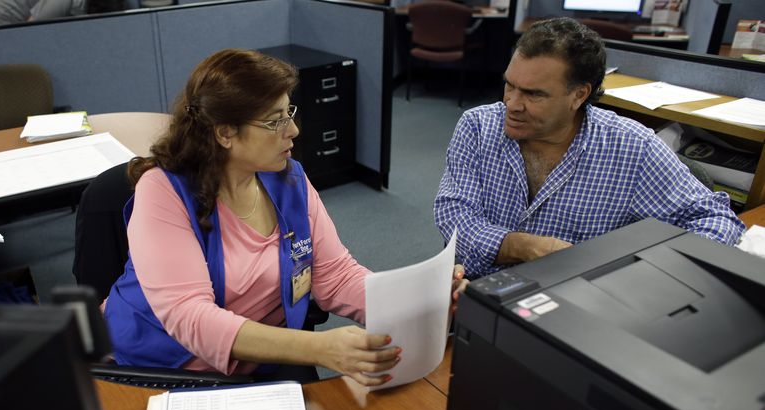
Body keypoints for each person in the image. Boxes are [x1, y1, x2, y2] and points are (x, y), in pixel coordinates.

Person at [103, 48, 467, 386]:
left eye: (288, 114)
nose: (293, 130)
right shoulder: (163, 191)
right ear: (226, 132)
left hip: (264, 357)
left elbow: (335, 277)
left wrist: (419, 301)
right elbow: (190, 318)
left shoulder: (288, 178)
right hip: (167, 369)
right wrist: (320, 349)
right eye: (275, 121)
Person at [433, 17, 745, 280]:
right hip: (475, 290)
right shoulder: (478, 126)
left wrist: (638, 275)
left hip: (572, 304)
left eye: (533, 94)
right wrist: (525, 246)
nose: (511, 104)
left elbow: (717, 219)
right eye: (509, 85)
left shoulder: (631, 148)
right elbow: (453, 215)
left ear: (579, 95)